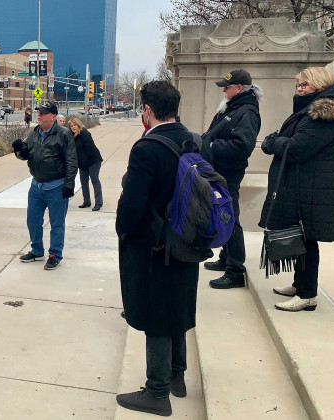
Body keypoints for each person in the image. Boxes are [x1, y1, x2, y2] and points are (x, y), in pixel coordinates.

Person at [115, 81, 199, 417]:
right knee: (176, 306)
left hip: (154, 245)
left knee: (157, 316)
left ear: (147, 111)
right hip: (186, 239)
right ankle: (177, 376)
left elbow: (133, 202)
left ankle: (157, 391)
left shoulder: (146, 147)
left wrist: (123, 231)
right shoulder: (193, 139)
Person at [260, 67, 334, 312]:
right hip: (306, 184)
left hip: (313, 187)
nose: (300, 88)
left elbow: (296, 147)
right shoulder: (312, 111)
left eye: (305, 84)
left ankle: (307, 294)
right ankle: (299, 284)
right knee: (302, 236)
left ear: (319, 85)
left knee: (306, 239)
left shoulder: (324, 115)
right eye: (299, 85)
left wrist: (272, 141)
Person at [201, 69, 262, 289]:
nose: (223, 91)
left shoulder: (246, 112)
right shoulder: (233, 107)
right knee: (222, 213)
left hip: (229, 172)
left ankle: (236, 269)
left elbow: (242, 146)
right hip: (219, 170)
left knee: (229, 217)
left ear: (239, 88)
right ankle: (227, 257)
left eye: (226, 87)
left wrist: (209, 146)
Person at [12, 101, 77, 270]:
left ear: (53, 116)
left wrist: (69, 184)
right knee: (32, 220)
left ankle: (55, 254)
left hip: (56, 186)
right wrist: (19, 150)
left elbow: (71, 161)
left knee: (56, 223)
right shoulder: (34, 133)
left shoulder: (63, 134)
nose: (38, 115)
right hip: (36, 186)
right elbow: (25, 155)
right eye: (38, 112)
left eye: (43, 112)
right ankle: (37, 250)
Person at [69, 118, 103, 211]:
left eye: (75, 125)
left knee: (94, 180)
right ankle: (86, 201)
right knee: (83, 182)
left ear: (79, 125)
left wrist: (84, 162)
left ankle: (98, 202)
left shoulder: (84, 133)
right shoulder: (72, 136)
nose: (73, 127)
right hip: (82, 163)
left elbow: (90, 149)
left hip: (93, 161)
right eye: (71, 126)